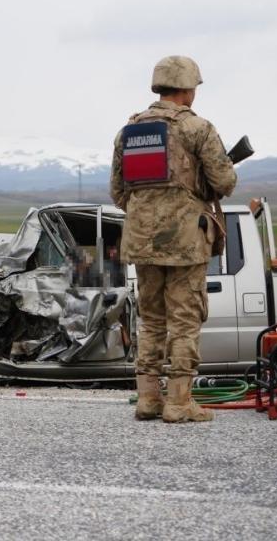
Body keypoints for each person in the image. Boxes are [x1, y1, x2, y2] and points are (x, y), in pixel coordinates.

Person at [110, 56, 237, 423]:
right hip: (184, 241)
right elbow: (225, 182)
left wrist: (150, 210)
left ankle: (148, 399)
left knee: (151, 320)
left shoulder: (129, 132)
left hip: (141, 240)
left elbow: (118, 193)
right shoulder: (198, 128)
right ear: (187, 88)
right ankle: (179, 403)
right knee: (184, 320)